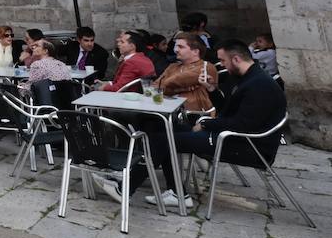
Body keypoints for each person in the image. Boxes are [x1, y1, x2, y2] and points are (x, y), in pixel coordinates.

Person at [110, 39, 284, 210]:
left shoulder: (259, 85)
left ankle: (125, 189)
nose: (221, 65)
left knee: (164, 141)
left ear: (236, 59)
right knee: (161, 129)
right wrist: (212, 90)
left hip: (247, 146)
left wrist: (206, 124)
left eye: (223, 61)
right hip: (232, 137)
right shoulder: (247, 78)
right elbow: (228, 111)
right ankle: (176, 192)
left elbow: (243, 124)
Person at [156, 32, 219, 112]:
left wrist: (167, 89)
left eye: (180, 47)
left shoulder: (206, 67)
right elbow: (155, 87)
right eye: (176, 46)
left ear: (195, 51)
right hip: (167, 110)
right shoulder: (173, 66)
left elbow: (174, 81)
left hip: (195, 113)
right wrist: (181, 88)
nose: (175, 50)